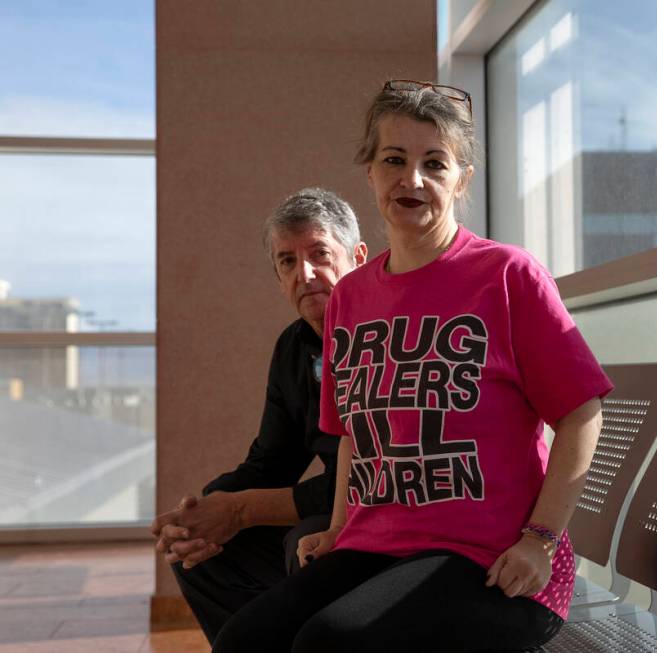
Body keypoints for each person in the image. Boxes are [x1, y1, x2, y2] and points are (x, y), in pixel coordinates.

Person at [212, 80, 612, 653]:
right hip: (375, 547)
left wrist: (540, 541)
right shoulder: (351, 297)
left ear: (461, 180)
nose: (413, 180)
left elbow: (581, 412)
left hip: (497, 562)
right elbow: (354, 434)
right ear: (370, 172)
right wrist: (338, 527)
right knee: (244, 641)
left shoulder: (507, 276)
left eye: (435, 163)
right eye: (394, 160)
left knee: (331, 644)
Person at [150, 187, 367, 644]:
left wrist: (241, 509)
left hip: (380, 512)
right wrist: (204, 509)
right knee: (202, 553)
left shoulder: (387, 335)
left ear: (359, 258)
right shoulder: (292, 346)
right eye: (287, 261)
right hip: (328, 504)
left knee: (305, 543)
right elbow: (271, 461)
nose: (305, 274)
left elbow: (375, 475)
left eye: (320, 254)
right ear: (277, 276)